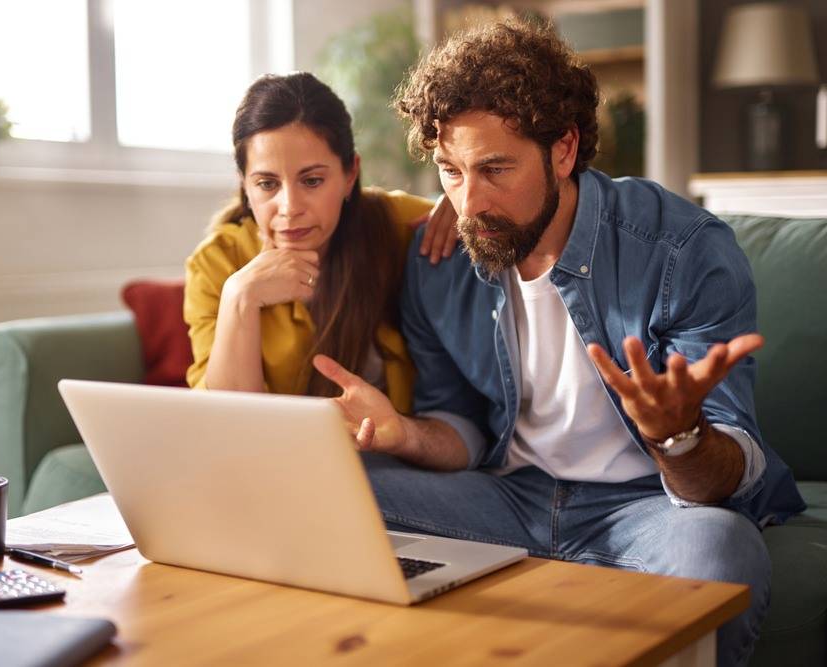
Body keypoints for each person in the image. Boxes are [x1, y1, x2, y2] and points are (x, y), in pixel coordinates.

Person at [311, 20, 805, 667]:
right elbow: (459, 423)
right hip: (509, 496)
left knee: (721, 550)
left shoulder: (682, 248)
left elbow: (727, 472)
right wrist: (403, 433)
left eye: (495, 168)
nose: (468, 202)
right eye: (451, 171)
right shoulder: (442, 260)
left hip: (648, 508)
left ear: (565, 149)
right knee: (340, 490)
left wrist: (677, 434)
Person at [184, 72, 456, 410]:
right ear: (244, 184)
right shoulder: (216, 263)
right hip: (275, 456)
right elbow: (230, 422)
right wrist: (240, 297)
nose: (290, 208)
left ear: (350, 174)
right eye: (267, 184)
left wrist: (458, 203)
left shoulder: (391, 221)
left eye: (312, 181)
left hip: (391, 452)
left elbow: (483, 210)